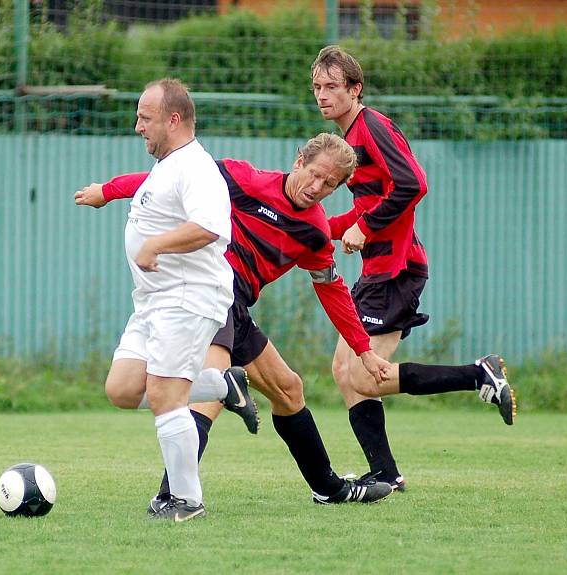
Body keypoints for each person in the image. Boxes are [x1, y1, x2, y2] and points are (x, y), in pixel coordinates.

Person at [76, 133, 397, 509]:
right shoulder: (246, 180)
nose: (316, 187)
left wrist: (363, 349)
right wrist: (109, 190)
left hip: (236, 307)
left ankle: (328, 488)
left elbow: (332, 290)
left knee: (288, 390)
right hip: (207, 295)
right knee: (208, 395)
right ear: (298, 161)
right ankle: (173, 496)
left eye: (329, 184)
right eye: (314, 174)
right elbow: (164, 183)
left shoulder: (314, 233)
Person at [310, 45, 517, 491]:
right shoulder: (351, 140)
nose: (322, 96)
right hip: (379, 270)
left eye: (332, 87)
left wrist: (364, 227)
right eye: (317, 87)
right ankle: (386, 473)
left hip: (397, 269)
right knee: (345, 372)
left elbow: (413, 184)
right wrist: (317, 229)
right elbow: (370, 205)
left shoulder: (373, 127)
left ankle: (477, 374)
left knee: (364, 374)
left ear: (355, 89)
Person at [93, 78, 257, 522]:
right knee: (124, 389)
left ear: (173, 119)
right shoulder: (166, 165)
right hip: (151, 302)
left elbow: (211, 226)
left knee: (165, 394)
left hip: (187, 298)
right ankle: (223, 385)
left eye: (145, 118)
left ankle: (186, 500)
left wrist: (156, 245)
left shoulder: (195, 167)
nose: (137, 127)